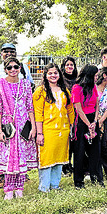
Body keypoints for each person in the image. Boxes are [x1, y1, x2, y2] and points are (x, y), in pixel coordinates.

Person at [0, 56, 38, 199]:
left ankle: (19, 188)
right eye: (9, 67)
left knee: (21, 156)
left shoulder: (25, 84)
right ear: (5, 69)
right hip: (8, 125)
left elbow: (30, 107)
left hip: (23, 124)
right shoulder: (0, 84)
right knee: (8, 157)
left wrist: (33, 127)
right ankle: (8, 189)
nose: (13, 70)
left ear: (20, 68)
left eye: (16, 67)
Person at [33, 63, 74, 192]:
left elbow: (70, 109)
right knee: (47, 158)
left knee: (60, 157)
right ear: (45, 75)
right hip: (47, 130)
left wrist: (71, 127)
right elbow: (38, 113)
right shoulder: (40, 91)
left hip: (63, 129)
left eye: (55, 73)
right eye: (50, 73)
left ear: (59, 74)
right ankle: (44, 187)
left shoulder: (64, 90)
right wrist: (39, 133)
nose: (53, 75)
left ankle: (55, 185)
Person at [71, 65, 103, 187]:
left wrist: (95, 121)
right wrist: (88, 124)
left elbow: (97, 104)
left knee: (95, 151)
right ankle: (79, 181)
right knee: (79, 152)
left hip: (93, 120)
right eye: (95, 75)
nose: (97, 77)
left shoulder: (93, 87)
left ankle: (97, 178)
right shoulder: (77, 88)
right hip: (81, 121)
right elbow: (78, 108)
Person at [60, 56, 78, 176]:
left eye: (71, 65)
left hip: (76, 113)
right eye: (67, 65)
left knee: (73, 140)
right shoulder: (60, 80)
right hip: (63, 114)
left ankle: (70, 164)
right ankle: (63, 165)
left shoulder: (77, 80)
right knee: (64, 140)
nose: (70, 67)